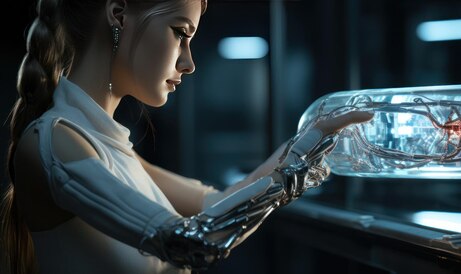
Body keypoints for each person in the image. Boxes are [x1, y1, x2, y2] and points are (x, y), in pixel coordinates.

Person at [0, 0, 373, 273]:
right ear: (118, 14)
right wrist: (295, 168)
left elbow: (222, 201)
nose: (188, 62)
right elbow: (191, 239)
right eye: (180, 33)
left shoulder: (107, 150)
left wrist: (310, 138)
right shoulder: (54, 142)